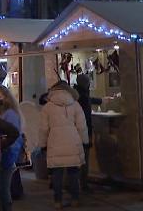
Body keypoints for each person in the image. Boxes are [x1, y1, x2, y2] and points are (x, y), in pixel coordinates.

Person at [35, 81, 87, 209]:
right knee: (73, 173)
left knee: (57, 174)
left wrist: (42, 144)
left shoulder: (48, 107)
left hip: (55, 141)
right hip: (73, 140)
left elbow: (43, 129)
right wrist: (85, 141)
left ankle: (57, 201)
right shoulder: (75, 105)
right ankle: (75, 199)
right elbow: (82, 126)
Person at [0, 85, 24, 211]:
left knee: (3, 190)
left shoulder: (10, 114)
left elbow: (13, 138)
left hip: (6, 156)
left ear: (6, 98)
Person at [72, 74, 102, 192]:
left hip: (76, 132)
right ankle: (82, 184)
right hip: (83, 131)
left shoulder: (76, 94)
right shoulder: (82, 96)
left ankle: (76, 184)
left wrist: (100, 100)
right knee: (83, 158)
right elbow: (85, 112)